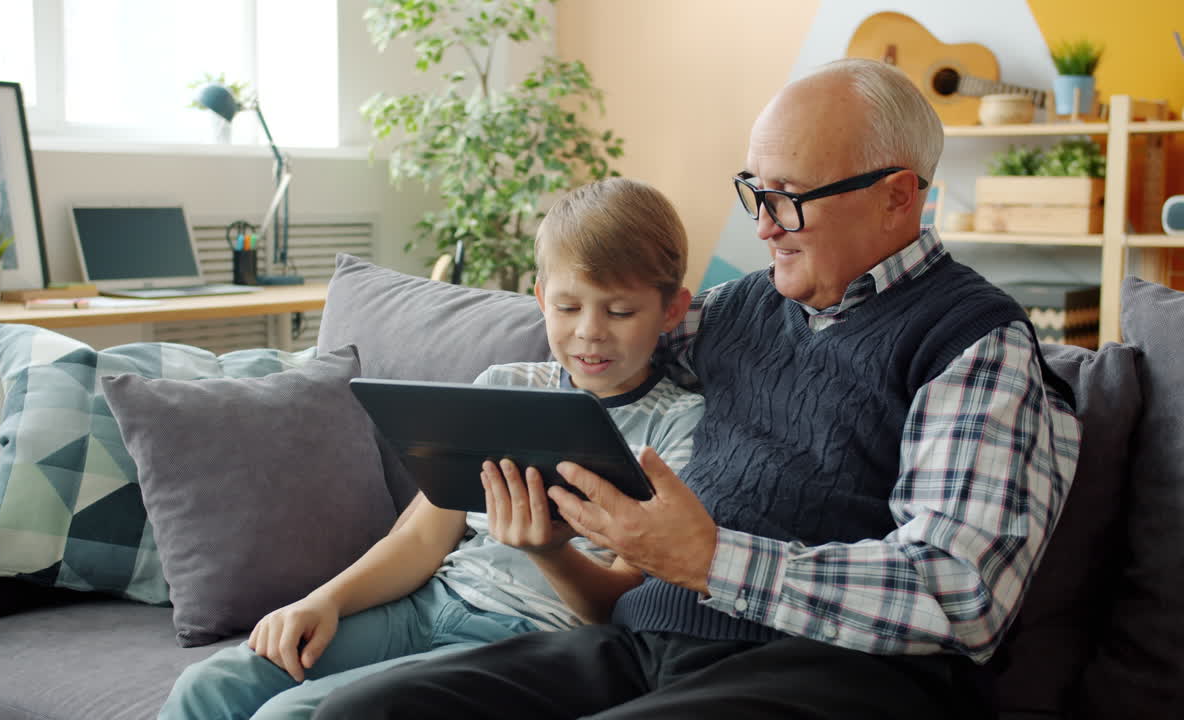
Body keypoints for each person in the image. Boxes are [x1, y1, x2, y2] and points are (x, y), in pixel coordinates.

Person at [310, 58, 1083, 720]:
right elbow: (607, 328)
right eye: (755, 191)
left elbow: (961, 594)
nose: (765, 225)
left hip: (837, 672)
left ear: (896, 196)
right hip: (641, 640)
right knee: (361, 712)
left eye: (790, 197)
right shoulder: (740, 309)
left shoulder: (973, 341)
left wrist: (712, 558)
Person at [158, 177, 704, 720]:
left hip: (527, 642)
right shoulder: (503, 387)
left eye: (620, 312)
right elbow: (421, 537)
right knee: (209, 686)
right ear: (541, 300)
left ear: (672, 311)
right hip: (429, 606)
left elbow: (621, 610)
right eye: (567, 308)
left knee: (292, 714)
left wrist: (549, 551)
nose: (590, 332)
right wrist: (323, 600)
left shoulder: (680, 428)